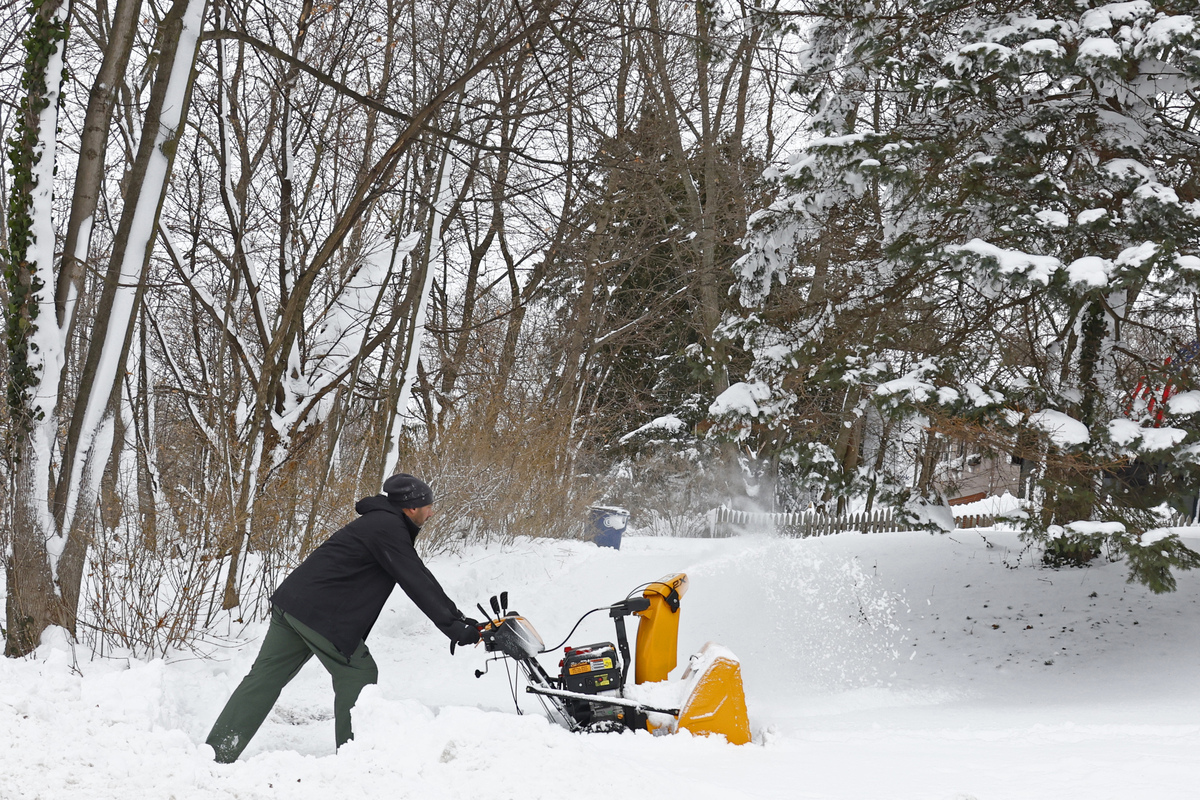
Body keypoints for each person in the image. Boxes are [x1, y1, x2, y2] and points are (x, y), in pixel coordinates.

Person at [205, 473, 481, 763]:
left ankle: (217, 751)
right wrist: (452, 627)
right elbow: (415, 580)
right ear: (411, 508)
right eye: (428, 506)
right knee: (358, 673)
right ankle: (354, 756)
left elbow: (419, 573)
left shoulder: (380, 523)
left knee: (263, 678)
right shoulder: (387, 527)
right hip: (320, 612)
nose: (432, 511)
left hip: (293, 604)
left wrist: (457, 618)